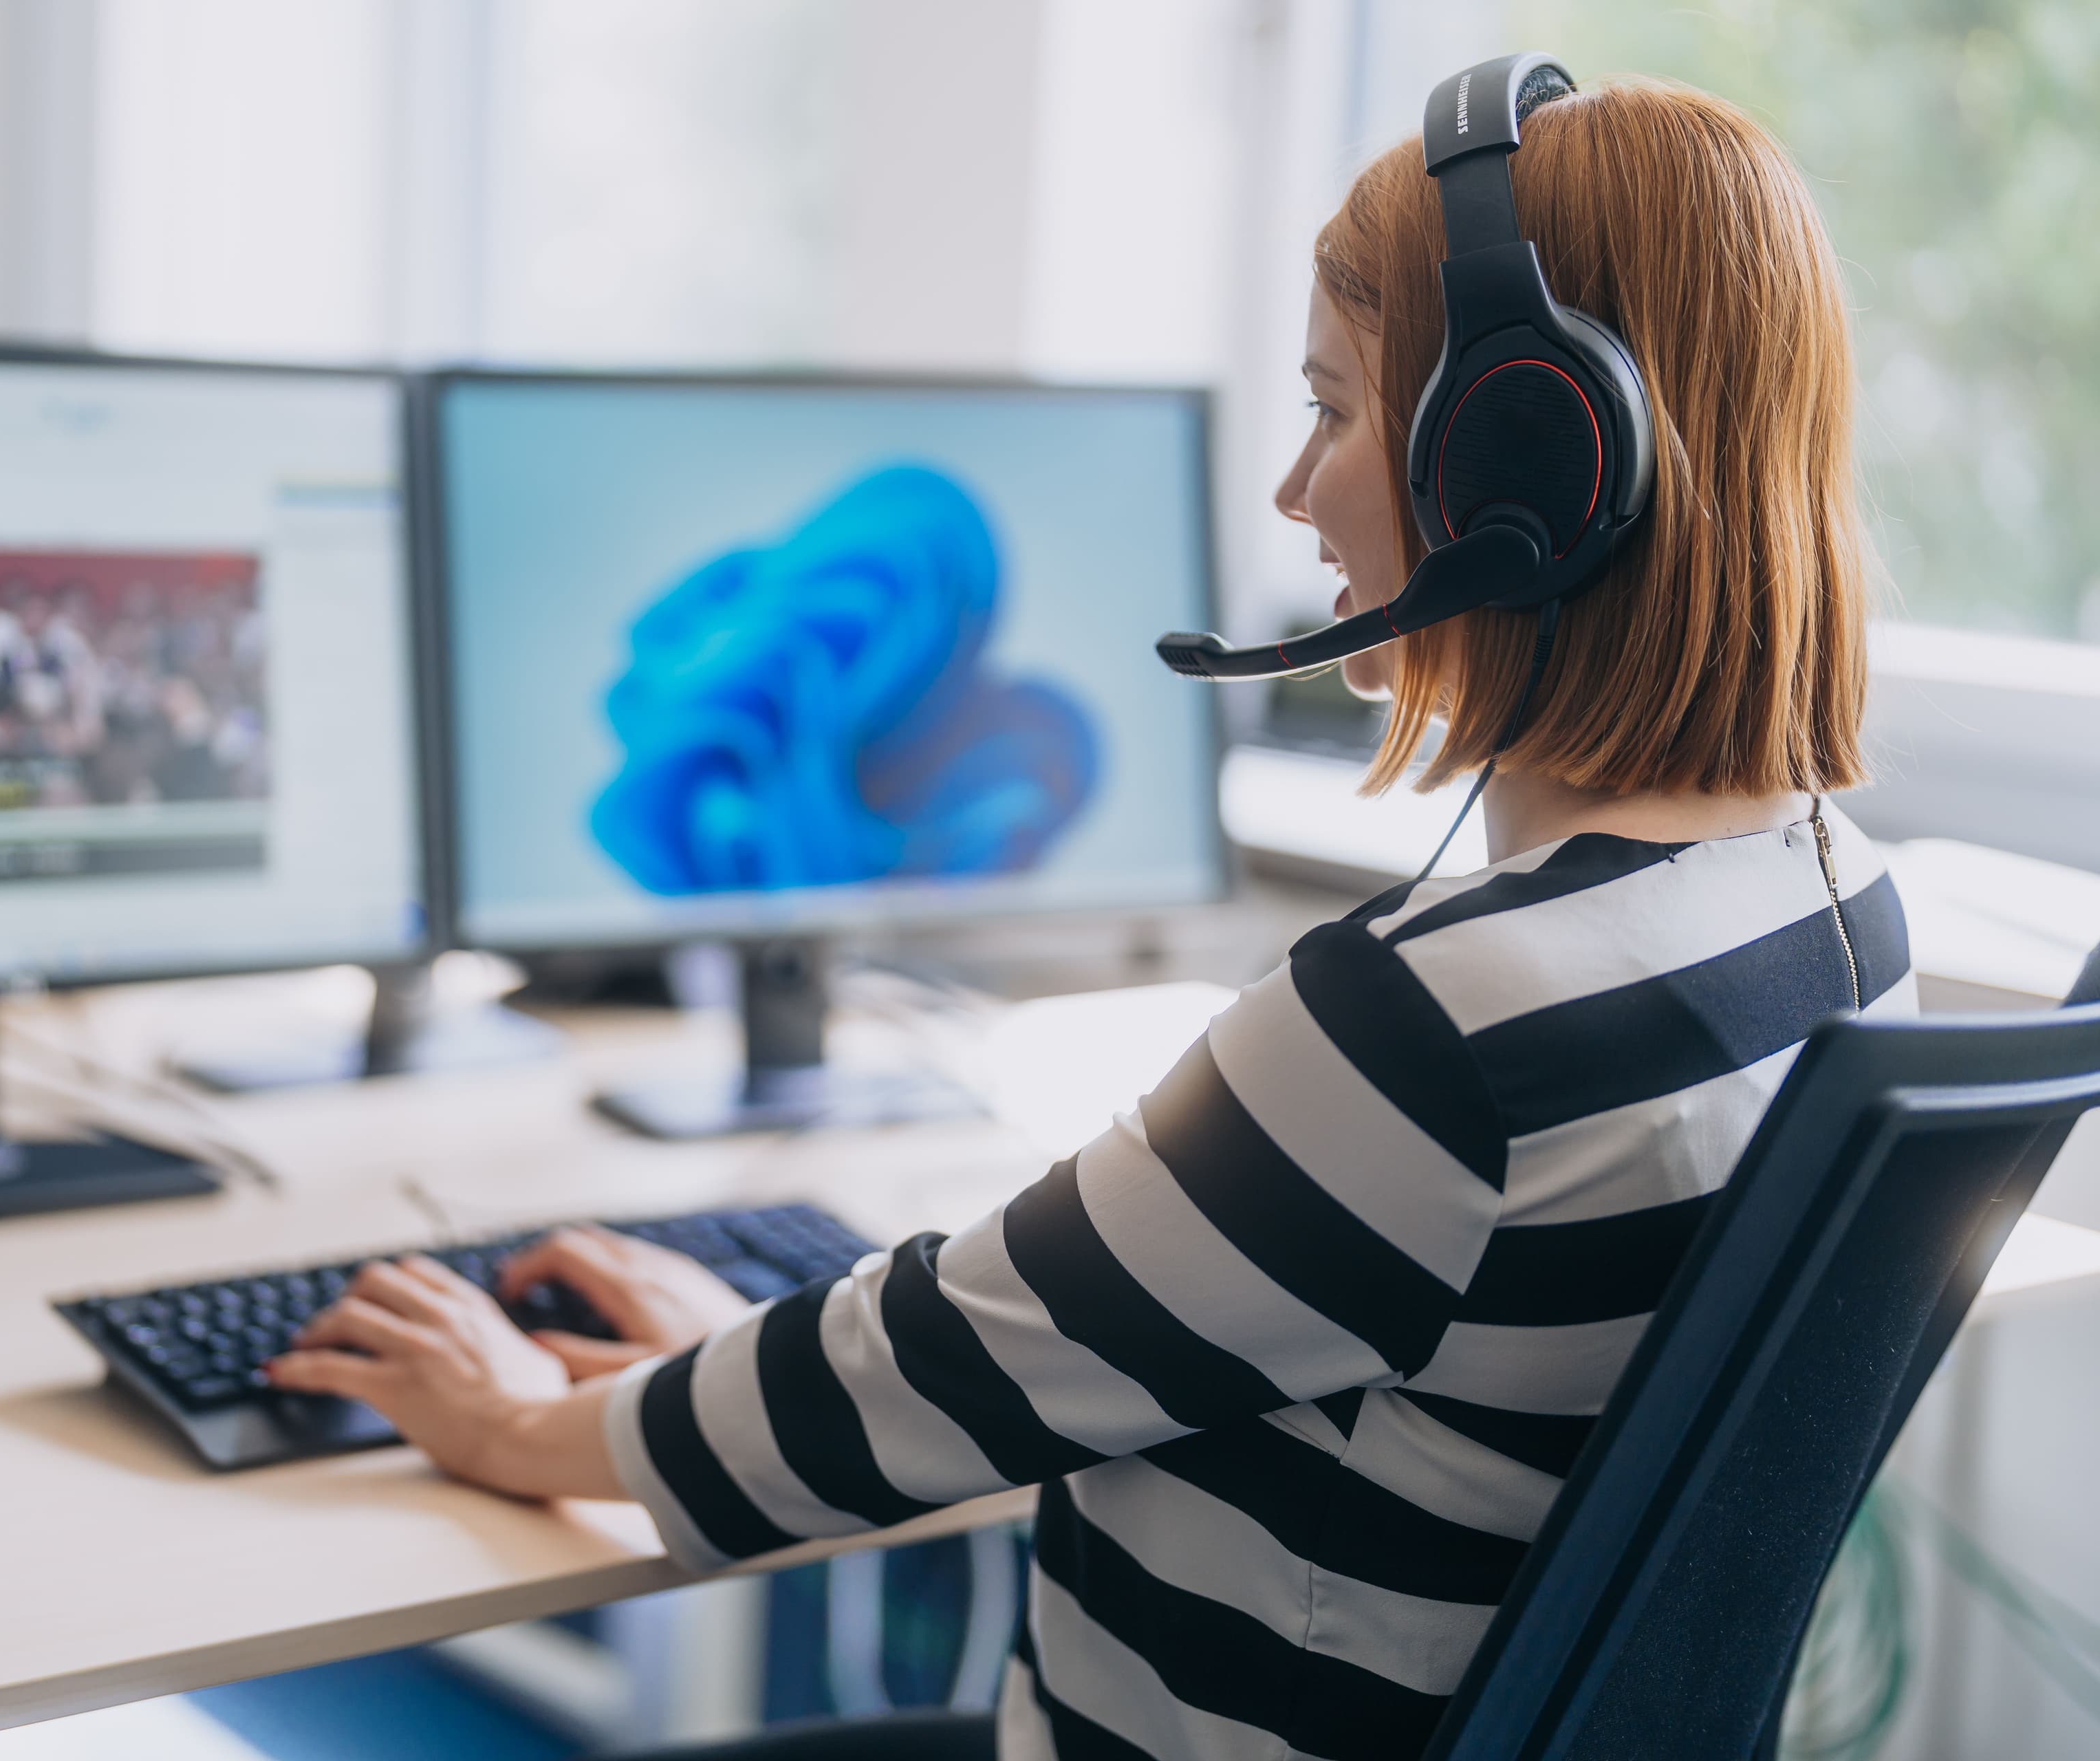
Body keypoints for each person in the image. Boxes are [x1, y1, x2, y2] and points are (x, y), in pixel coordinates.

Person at [266, 73, 1911, 1761]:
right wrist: (742, 1344)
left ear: (1524, 471)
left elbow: (917, 1385)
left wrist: (525, 1417)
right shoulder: (1835, 907)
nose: (1292, 488)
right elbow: (1027, 1330)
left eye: (1336, 412)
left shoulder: (1437, 1025)